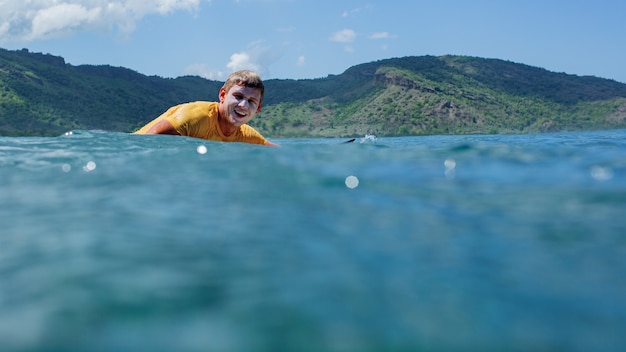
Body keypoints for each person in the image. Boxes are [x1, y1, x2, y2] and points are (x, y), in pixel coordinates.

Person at [134, 70, 277, 146]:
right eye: (238, 97)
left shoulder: (246, 135)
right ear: (222, 95)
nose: (243, 105)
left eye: (251, 101)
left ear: (258, 108)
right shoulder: (195, 117)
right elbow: (147, 143)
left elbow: (276, 153)